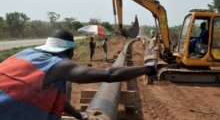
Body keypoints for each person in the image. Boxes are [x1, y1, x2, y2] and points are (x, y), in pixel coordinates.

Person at [0, 28, 158, 120]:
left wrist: (79, 115)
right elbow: (110, 74)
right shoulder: (58, 65)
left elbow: (56, 100)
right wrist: (148, 68)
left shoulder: (25, 54)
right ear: (70, 51)